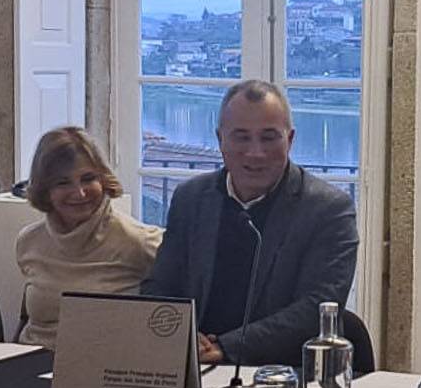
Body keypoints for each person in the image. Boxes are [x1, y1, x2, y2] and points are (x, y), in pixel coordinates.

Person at [141, 79, 358, 367]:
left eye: (269, 138)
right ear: (220, 140)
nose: (256, 152)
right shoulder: (190, 199)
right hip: (194, 365)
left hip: (285, 373)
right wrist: (184, 336)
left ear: (290, 139)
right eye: (241, 137)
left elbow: (316, 309)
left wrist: (226, 348)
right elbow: (159, 287)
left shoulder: (329, 210)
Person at [15, 126, 163, 346]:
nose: (79, 193)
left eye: (88, 179)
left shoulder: (137, 240)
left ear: (103, 180)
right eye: (63, 183)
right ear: (45, 189)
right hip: (30, 359)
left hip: (104, 363)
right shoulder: (29, 241)